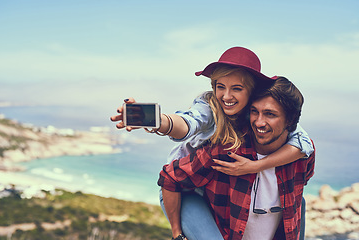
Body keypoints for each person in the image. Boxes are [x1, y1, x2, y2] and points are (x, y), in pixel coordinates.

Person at [110, 47, 313, 240]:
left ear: (252, 92)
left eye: (237, 88)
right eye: (220, 87)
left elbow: (304, 144)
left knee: (297, 200)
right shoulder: (210, 109)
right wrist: (158, 121)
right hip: (181, 187)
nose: (226, 96)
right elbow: (187, 123)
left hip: (211, 185)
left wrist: (256, 166)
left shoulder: (261, 119)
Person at [158, 77, 315, 240]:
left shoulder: (301, 155)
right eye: (255, 112)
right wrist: (177, 234)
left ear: (290, 120)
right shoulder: (227, 151)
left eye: (270, 114)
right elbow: (170, 177)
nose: (259, 122)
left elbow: (298, 192)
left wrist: (256, 167)